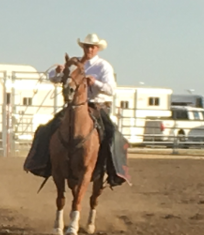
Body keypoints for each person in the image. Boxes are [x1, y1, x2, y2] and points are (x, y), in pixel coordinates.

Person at [23, 33, 130, 187]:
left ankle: (115, 171)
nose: (89, 49)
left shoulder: (103, 66)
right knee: (48, 129)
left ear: (97, 49)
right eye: (87, 46)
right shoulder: (76, 64)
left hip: (97, 106)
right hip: (74, 106)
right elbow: (53, 78)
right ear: (83, 47)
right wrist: (59, 71)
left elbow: (111, 90)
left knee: (113, 134)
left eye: (92, 47)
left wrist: (96, 83)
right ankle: (41, 163)